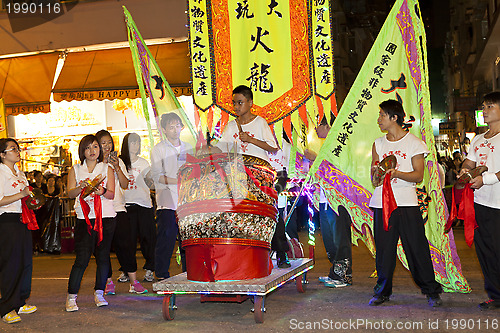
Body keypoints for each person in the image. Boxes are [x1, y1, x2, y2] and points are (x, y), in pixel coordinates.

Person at [368, 100, 442, 307]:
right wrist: (379, 173)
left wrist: (397, 173)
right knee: (384, 249)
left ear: (394, 118)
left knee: (416, 247)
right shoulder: (378, 144)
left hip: (407, 203)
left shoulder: (414, 143)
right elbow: (374, 177)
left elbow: (419, 175)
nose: (379, 119)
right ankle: (382, 291)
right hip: (383, 204)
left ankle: (431, 290)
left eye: (382, 115)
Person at [65, 134, 116, 312]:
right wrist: (82, 187)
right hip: (84, 219)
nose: (92, 151)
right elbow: (70, 193)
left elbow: (111, 194)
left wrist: (100, 190)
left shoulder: (106, 167)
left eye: (95, 146)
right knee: (82, 259)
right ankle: (71, 297)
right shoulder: (76, 169)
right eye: (88, 148)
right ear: (82, 151)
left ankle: (99, 293)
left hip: (106, 217)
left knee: (103, 258)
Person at [459, 91, 500, 310]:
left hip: (499, 203)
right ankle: (495, 295)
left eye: (490, 106)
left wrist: (487, 179)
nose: (484, 111)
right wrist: (464, 171)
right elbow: (469, 161)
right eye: (483, 106)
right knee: (485, 252)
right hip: (480, 204)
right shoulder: (478, 139)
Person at [96, 130, 146, 295]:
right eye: (103, 143)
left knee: (126, 246)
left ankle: (133, 281)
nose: (107, 146)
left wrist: (117, 167)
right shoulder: (94, 164)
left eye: (109, 142)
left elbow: (124, 184)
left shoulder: (118, 162)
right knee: (103, 248)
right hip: (101, 211)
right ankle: (108, 281)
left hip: (119, 208)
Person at [151, 112, 193, 280]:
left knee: (187, 240)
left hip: (186, 201)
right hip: (167, 201)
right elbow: (156, 175)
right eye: (171, 127)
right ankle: (161, 273)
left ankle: (188, 272)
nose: (175, 130)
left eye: (178, 126)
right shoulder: (158, 149)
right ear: (164, 130)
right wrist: (177, 180)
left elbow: (194, 170)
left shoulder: (188, 147)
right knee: (166, 239)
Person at [0, 138, 37, 324]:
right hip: (7, 221)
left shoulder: (20, 174)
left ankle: (20, 302)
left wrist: (32, 201)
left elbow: (24, 197)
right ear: (2, 154)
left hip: (23, 219)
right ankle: (7, 307)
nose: (17, 151)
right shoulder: (0, 172)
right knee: (10, 265)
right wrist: (21, 194)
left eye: (18, 148)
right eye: (12, 149)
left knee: (25, 263)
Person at [120, 133, 156, 282]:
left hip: (144, 204)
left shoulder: (143, 163)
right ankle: (126, 270)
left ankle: (150, 268)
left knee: (148, 238)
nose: (135, 145)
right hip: (126, 205)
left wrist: (154, 178)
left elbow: (151, 182)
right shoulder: (120, 162)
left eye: (137, 143)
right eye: (132, 142)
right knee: (127, 241)